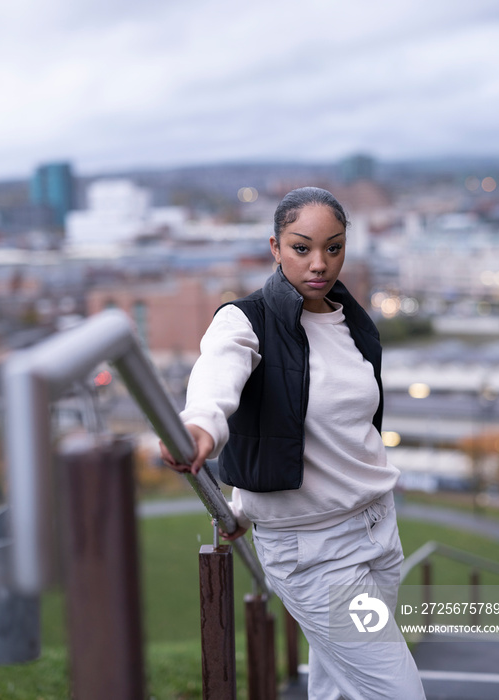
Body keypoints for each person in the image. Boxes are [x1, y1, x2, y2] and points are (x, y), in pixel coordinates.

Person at [160, 187, 426, 699]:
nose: (320, 263)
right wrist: (199, 428)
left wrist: (241, 502)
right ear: (275, 247)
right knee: (398, 690)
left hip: (377, 530)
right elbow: (219, 376)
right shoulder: (245, 320)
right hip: (314, 552)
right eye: (302, 247)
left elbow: (317, 431)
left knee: (339, 681)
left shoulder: (351, 322)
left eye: (334, 247)